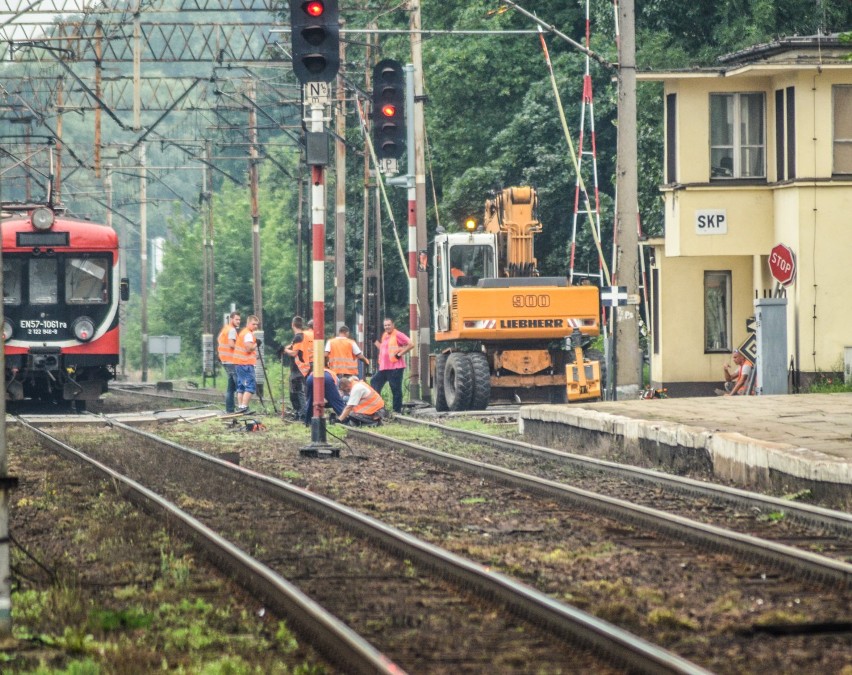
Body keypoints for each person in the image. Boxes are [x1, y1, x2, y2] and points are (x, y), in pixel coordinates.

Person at [371, 317, 414, 414]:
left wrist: (400, 354)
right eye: (385, 325)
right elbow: (383, 349)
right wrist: (375, 341)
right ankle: (378, 407)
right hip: (384, 367)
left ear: (393, 325)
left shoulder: (398, 334)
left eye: (388, 325)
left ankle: (396, 411)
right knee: (374, 382)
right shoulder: (385, 335)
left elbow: (411, 344)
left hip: (395, 367)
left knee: (395, 388)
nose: (387, 327)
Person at [283, 316, 312, 418]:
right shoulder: (303, 336)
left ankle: (303, 414)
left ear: (293, 325)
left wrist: (286, 351)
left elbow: (294, 353)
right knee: (295, 392)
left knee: (298, 392)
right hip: (300, 368)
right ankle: (299, 412)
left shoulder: (298, 337)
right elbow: (295, 347)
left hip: (298, 368)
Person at [233, 314, 260, 413]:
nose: (256, 326)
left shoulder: (243, 333)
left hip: (239, 363)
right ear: (248, 323)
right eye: (254, 324)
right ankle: (244, 407)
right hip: (246, 364)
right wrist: (256, 344)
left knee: (241, 386)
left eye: (257, 324)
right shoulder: (248, 334)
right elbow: (249, 348)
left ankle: (240, 407)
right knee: (250, 386)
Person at [216, 311, 240, 413]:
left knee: (231, 387)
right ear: (231, 319)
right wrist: (241, 348)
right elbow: (231, 344)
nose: (238, 321)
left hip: (225, 360)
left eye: (239, 319)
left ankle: (230, 410)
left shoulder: (224, 330)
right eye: (236, 319)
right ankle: (242, 408)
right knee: (239, 385)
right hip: (231, 361)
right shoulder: (231, 330)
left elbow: (219, 340)